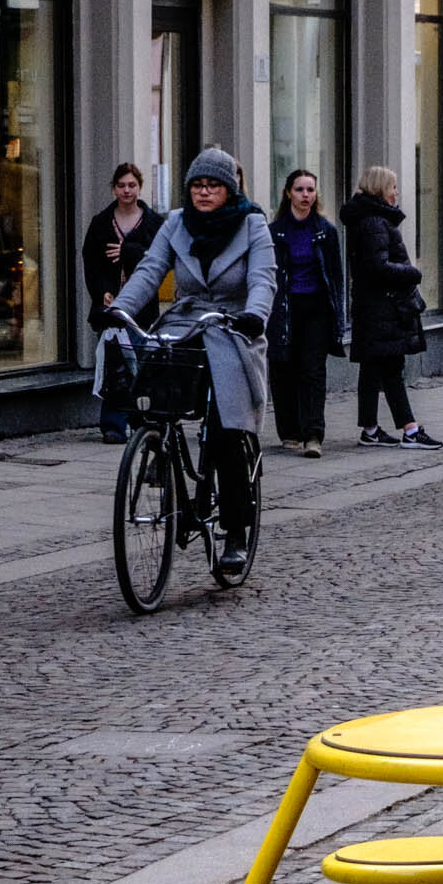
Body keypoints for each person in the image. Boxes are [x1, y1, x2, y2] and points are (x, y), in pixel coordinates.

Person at [110, 148, 276, 574]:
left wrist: (255, 314)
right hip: (186, 323)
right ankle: (160, 459)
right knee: (156, 401)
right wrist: (119, 310)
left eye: (213, 186)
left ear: (229, 189)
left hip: (234, 328)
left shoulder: (252, 223)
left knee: (226, 432)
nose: (204, 193)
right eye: (198, 185)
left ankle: (235, 532)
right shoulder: (176, 223)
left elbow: (262, 277)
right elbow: (149, 271)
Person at [340, 166, 442, 449]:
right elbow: (378, 267)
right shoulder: (375, 222)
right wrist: (412, 272)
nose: (396, 192)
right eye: (392, 187)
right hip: (383, 306)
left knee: (373, 369)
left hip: (373, 306)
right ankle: (410, 430)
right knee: (391, 368)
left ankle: (371, 429)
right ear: (379, 189)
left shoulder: (370, 219)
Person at [267, 169, 347, 460]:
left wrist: (339, 319)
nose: (305, 195)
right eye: (299, 190)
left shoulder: (325, 231)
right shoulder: (274, 232)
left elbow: (336, 277)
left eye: (310, 190)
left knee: (312, 371)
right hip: (283, 308)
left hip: (316, 309)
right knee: (283, 368)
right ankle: (289, 431)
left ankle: (313, 434)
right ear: (288, 192)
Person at [82, 163, 165, 442]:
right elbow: (90, 262)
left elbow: (160, 260)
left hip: (143, 307)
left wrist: (129, 251)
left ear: (140, 187)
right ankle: (114, 425)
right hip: (113, 305)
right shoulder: (101, 222)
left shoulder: (153, 222)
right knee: (115, 364)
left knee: (142, 364)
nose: (126, 191)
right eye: (121, 186)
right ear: (113, 188)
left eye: (131, 185)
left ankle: (140, 419)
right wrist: (102, 292)